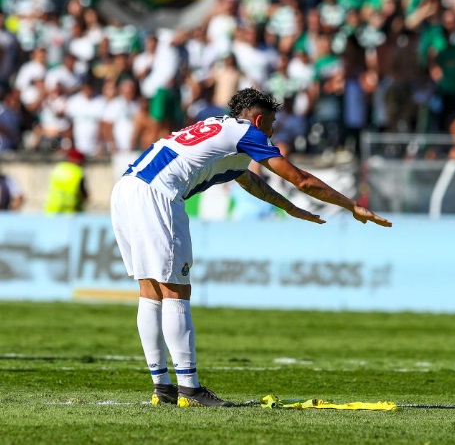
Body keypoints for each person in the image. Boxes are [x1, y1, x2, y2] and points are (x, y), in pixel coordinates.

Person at [110, 88, 392, 408]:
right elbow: (301, 179)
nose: (272, 133)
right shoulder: (249, 133)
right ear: (259, 121)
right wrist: (352, 205)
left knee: (150, 291)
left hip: (126, 188)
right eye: (271, 124)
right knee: (176, 291)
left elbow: (246, 178)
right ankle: (190, 388)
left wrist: (288, 207)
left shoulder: (218, 127)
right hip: (157, 196)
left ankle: (162, 387)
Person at [45, 148, 89, 213]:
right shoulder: (78, 172)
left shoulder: (58, 167)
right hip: (70, 208)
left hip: (53, 207)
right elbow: (82, 191)